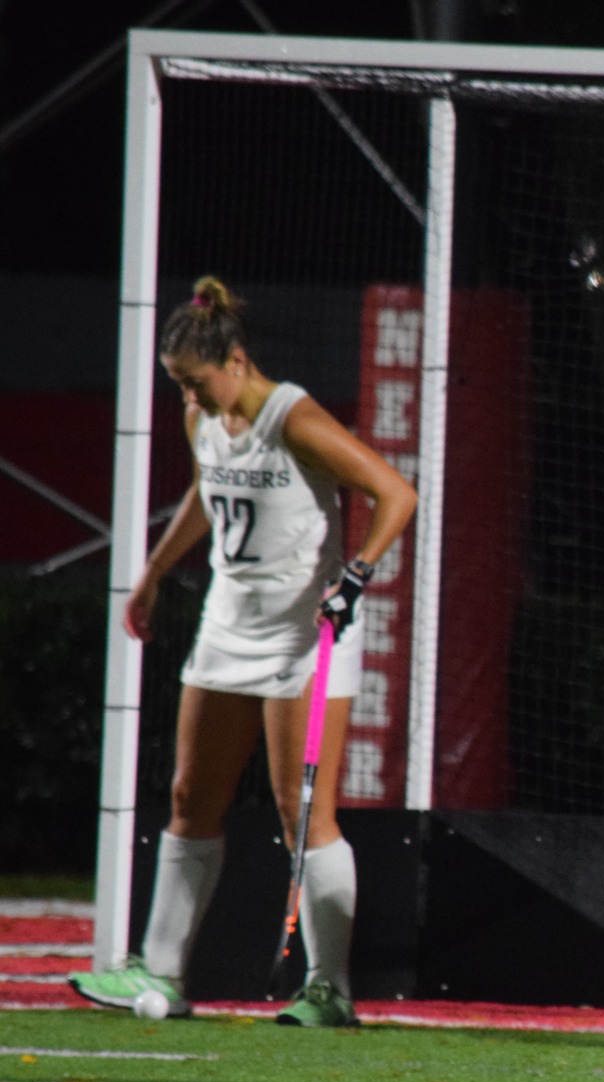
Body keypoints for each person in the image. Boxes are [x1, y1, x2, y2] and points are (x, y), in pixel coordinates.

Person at [69, 276, 418, 1027]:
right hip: (228, 625)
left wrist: (356, 574)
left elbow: (395, 492)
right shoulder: (206, 417)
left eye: (194, 382)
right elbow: (206, 492)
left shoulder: (291, 415)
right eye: (178, 386)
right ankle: (158, 973)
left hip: (305, 632)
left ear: (234, 358)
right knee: (192, 795)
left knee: (303, 812)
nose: (187, 398)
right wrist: (155, 574)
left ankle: (329, 988)